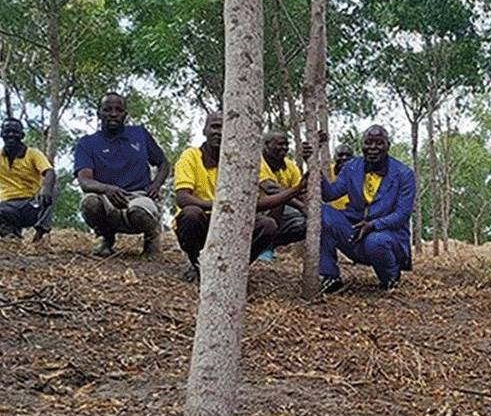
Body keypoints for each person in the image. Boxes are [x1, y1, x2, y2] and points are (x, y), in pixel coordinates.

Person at [173, 112, 304, 282]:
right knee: (191, 214)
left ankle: (235, 268)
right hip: (203, 221)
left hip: (231, 223)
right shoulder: (190, 156)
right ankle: (196, 264)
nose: (219, 132)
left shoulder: (241, 161)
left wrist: (295, 191)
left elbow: (255, 203)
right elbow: (182, 198)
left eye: (224, 128)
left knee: (268, 225)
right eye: (214, 127)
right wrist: (219, 205)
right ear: (204, 130)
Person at [319, 125, 415, 293]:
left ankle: (390, 277)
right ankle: (330, 277)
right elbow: (330, 194)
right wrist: (313, 165)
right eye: (368, 143)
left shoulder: (404, 174)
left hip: (386, 236)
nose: (373, 148)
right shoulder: (351, 167)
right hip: (355, 232)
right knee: (323, 212)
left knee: (375, 241)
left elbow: (402, 214)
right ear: (361, 145)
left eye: (379, 143)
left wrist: (373, 225)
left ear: (387, 146)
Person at [74, 92, 171, 257]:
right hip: (106, 199)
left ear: (125, 115)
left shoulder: (139, 134)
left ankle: (152, 237)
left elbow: (163, 164)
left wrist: (155, 186)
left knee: (140, 212)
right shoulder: (86, 143)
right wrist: (107, 189)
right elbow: (84, 181)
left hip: (138, 196)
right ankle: (105, 238)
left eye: (118, 110)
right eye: (107, 109)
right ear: (99, 114)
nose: (113, 114)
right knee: (89, 203)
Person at [0, 118, 55, 243]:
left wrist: (46, 190)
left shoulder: (33, 153)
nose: (11, 135)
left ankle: (41, 234)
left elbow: (49, 172)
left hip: (31, 205)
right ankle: (11, 236)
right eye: (7, 131)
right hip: (7, 206)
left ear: (22, 135)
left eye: (15, 132)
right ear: (1, 134)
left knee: (54, 189)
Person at [257, 131, 307, 260]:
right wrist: (302, 206)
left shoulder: (290, 165)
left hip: (285, 212)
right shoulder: (257, 162)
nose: (284, 148)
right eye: (280, 144)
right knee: (278, 203)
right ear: (266, 145)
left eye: (286, 144)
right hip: (257, 211)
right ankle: (263, 246)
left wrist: (312, 208)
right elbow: (271, 189)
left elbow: (301, 192)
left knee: (307, 224)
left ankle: (271, 244)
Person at [327, 144, 354, 211]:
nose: (344, 158)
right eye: (341, 155)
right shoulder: (329, 170)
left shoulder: (357, 171)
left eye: (347, 155)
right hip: (333, 210)